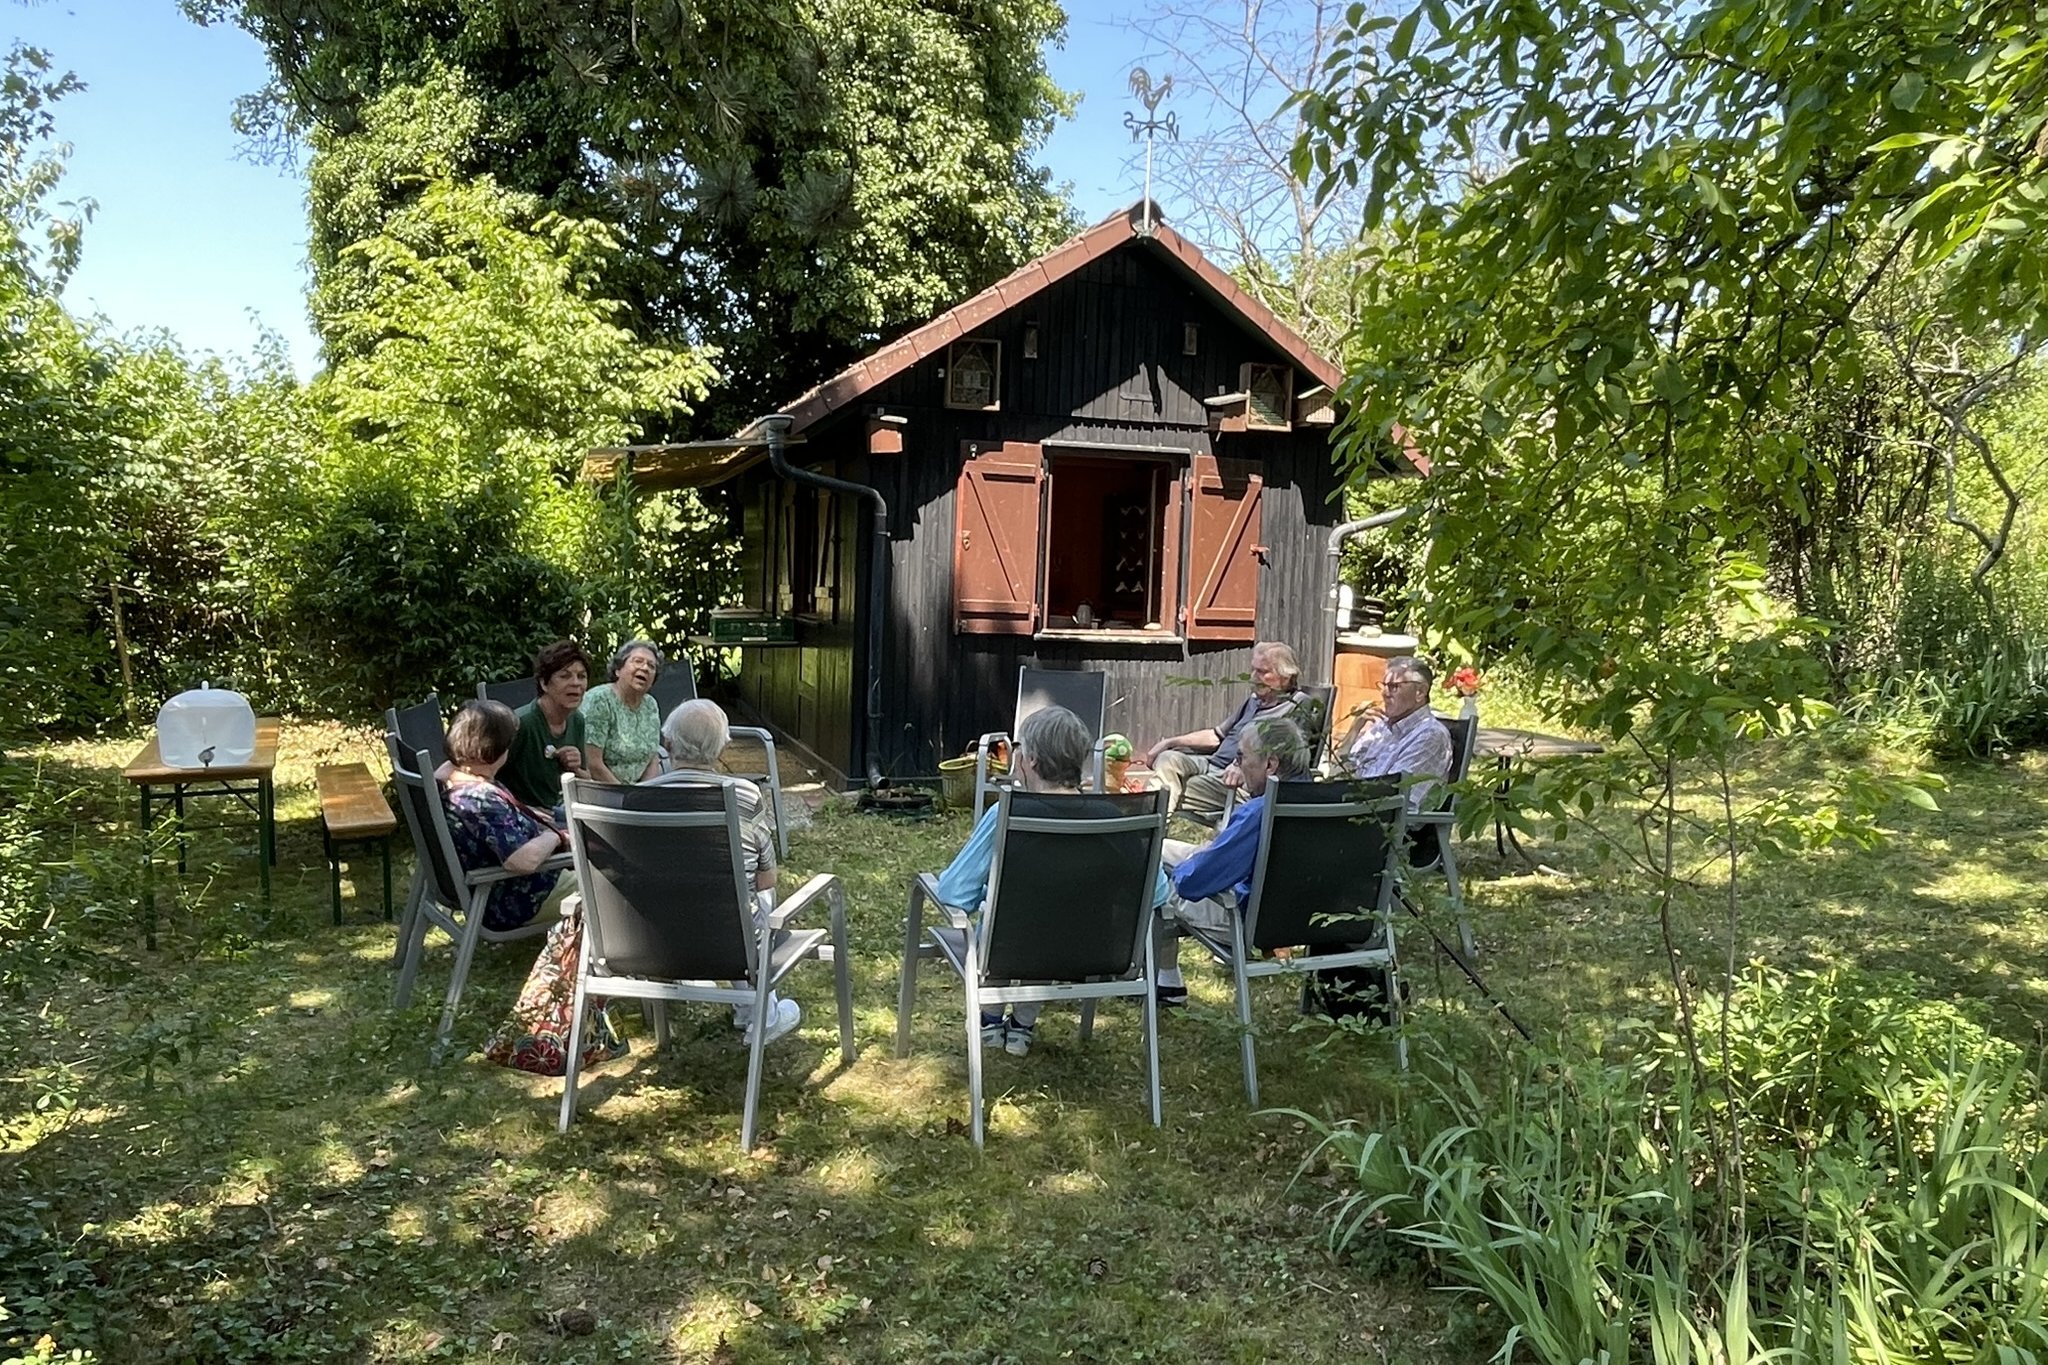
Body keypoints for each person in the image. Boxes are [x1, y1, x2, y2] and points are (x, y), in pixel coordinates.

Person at [935, 704, 1173, 1058]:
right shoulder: (1112, 818)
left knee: (1017, 919)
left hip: (1010, 951)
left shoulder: (1006, 813)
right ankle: (1021, 1026)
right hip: (1095, 952)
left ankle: (990, 1018)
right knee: (1055, 915)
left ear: (1028, 760)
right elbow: (1156, 893)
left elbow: (954, 891)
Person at [649, 698, 799, 1046]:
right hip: (729, 941)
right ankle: (763, 1013)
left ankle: (749, 1009)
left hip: (654, 942)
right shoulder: (744, 795)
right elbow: (767, 878)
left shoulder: (637, 797)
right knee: (756, 894)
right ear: (722, 748)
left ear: (668, 744)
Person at [1151, 715, 1312, 1007]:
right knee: (1155, 848)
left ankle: (1166, 983)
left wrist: (1185, 867)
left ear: (1271, 764)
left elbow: (1194, 883)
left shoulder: (1259, 813)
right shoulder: (1329, 804)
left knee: (1150, 874)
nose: (1237, 766)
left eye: (1241, 758)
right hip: (1309, 919)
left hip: (1247, 918)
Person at [439, 699, 568, 932]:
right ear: (497, 749)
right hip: (521, 898)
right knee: (614, 879)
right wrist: (555, 837)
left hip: (503, 892)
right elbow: (521, 860)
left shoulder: (458, 780)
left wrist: (522, 813)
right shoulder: (481, 801)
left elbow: (443, 770)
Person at [1143, 641, 1310, 819]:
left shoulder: (1300, 705)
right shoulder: (1253, 701)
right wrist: (1170, 742)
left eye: (1262, 672)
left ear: (1285, 676)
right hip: (1211, 765)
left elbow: (1287, 758)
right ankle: (1150, 823)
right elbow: (1216, 736)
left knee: (1171, 788)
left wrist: (1240, 765)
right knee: (1167, 758)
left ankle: (1149, 826)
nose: (1253, 677)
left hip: (1241, 779)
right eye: (1253, 670)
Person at [1335, 656, 1452, 811]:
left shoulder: (1430, 736)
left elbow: (1390, 799)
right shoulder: (1382, 727)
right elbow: (1340, 772)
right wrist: (1354, 730)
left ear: (1420, 692)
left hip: (1378, 824)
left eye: (1394, 686)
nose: (1384, 693)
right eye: (1384, 686)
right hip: (1348, 809)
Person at [498, 640, 590, 810]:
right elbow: (487, 779)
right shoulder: (521, 723)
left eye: (581, 676)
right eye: (565, 676)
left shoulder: (577, 720)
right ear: (544, 683)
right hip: (528, 817)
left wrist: (576, 768)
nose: (576, 683)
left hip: (562, 810)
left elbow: (586, 781)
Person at [580, 639, 666, 783]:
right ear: (618, 670)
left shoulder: (650, 705)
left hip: (638, 793)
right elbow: (593, 764)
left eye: (651, 666)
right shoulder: (599, 700)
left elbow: (653, 758)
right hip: (601, 791)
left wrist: (645, 792)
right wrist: (626, 797)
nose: (645, 668)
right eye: (638, 661)